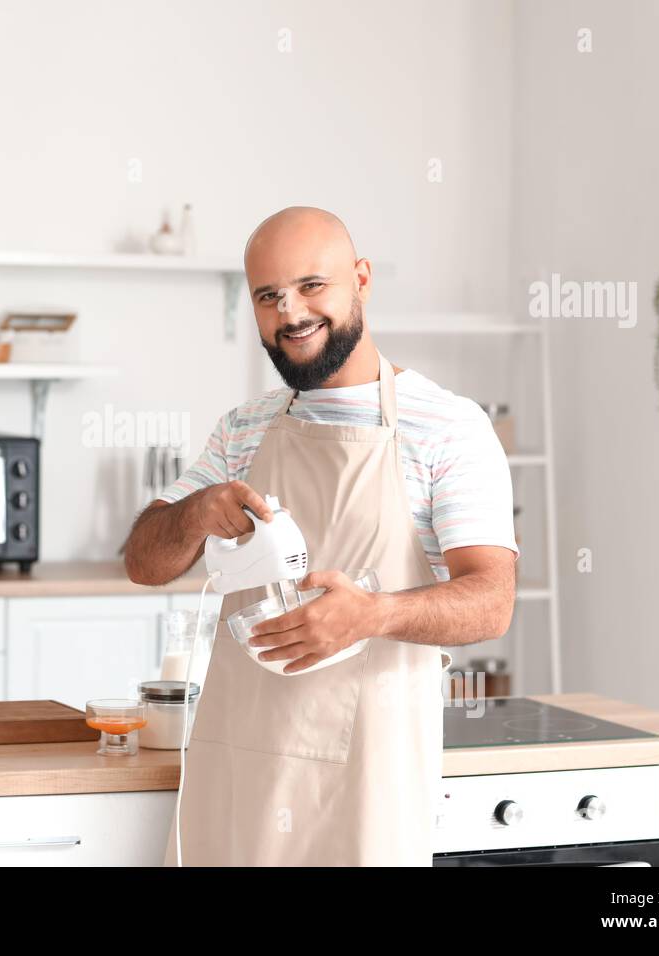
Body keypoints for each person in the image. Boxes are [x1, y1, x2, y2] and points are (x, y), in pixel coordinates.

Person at [123, 206, 519, 866]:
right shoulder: (243, 430)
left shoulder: (446, 427)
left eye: (313, 286)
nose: (291, 312)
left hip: (367, 789)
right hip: (236, 775)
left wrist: (372, 615)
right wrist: (196, 512)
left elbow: (491, 601)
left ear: (360, 279)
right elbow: (142, 561)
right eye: (268, 296)